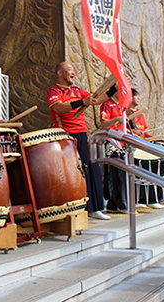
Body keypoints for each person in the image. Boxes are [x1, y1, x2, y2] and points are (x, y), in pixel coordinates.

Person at [47, 62, 110, 220]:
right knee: (75, 171)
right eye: (70, 70)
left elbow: (95, 99)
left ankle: (95, 208)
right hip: (66, 136)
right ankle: (78, 208)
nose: (73, 72)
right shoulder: (54, 91)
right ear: (60, 73)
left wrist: (115, 89)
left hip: (82, 133)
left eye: (74, 70)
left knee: (92, 167)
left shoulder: (77, 90)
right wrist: (82, 102)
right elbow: (59, 108)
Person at [128, 89, 164, 209]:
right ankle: (140, 199)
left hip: (143, 146)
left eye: (139, 97)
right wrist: (133, 132)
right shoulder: (126, 113)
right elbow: (125, 129)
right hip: (134, 148)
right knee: (139, 175)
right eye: (136, 96)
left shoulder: (140, 113)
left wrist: (156, 137)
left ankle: (152, 198)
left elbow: (145, 131)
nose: (138, 99)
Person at [99, 89, 130, 213]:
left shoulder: (122, 106)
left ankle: (116, 203)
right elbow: (102, 124)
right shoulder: (107, 104)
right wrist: (116, 119)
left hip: (122, 142)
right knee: (114, 173)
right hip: (112, 142)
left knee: (122, 173)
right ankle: (118, 202)